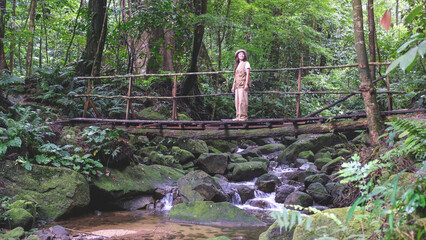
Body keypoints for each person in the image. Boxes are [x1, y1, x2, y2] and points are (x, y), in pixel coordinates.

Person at [231, 49, 251, 121]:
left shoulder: (246, 63)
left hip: (243, 84)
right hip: (237, 85)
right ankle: (238, 116)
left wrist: (246, 84)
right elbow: (235, 76)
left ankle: (243, 116)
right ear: (237, 56)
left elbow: (248, 74)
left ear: (244, 56)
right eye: (240, 54)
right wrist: (233, 86)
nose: (241, 55)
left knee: (243, 100)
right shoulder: (237, 65)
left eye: (243, 54)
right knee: (237, 101)